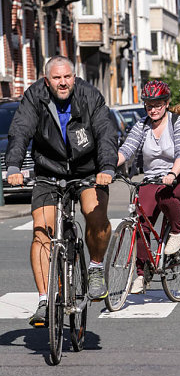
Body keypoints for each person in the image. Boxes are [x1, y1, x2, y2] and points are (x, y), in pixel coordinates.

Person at [6, 55, 118, 326]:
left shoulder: (90, 95)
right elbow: (20, 130)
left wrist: (107, 167)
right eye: (56, 78)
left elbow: (105, 132)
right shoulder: (35, 96)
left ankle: (94, 267)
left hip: (88, 170)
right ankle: (45, 300)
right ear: (47, 80)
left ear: (74, 76)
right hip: (48, 171)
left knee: (97, 217)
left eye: (67, 76)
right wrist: (13, 166)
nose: (63, 82)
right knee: (41, 232)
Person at [117, 80, 180, 294]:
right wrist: (107, 166)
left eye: (158, 104)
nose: (153, 109)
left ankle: (177, 232)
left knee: (167, 194)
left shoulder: (179, 123)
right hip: (152, 178)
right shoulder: (142, 125)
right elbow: (127, 149)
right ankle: (142, 274)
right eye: (149, 104)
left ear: (166, 103)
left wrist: (172, 173)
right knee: (141, 224)